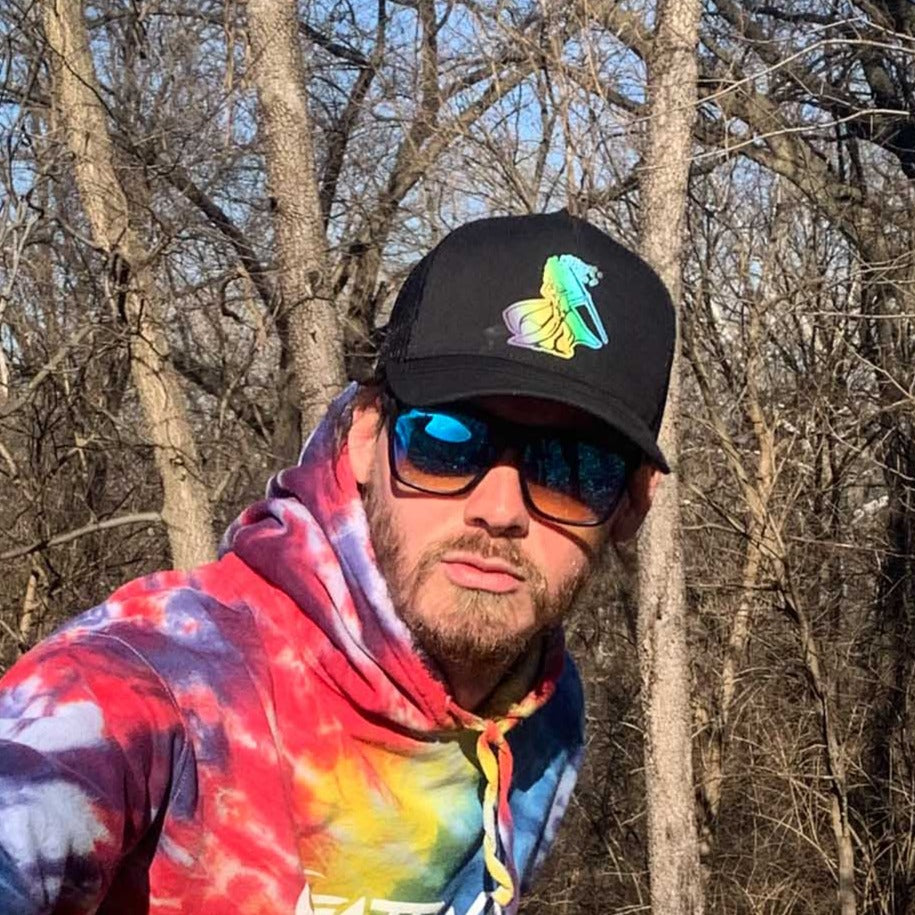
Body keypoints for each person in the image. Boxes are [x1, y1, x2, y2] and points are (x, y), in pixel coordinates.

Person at [0, 210, 674, 915]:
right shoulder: (136, 689)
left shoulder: (540, 710)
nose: (500, 507)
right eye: (446, 439)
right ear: (363, 436)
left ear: (630, 504)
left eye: (573, 468)